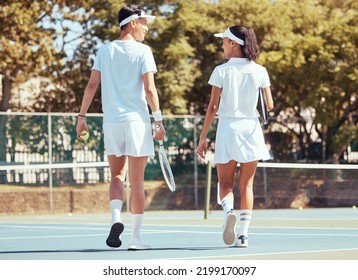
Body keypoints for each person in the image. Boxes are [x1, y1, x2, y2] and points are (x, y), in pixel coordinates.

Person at [76, 4, 165, 251]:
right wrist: (158, 120)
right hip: (136, 123)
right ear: (132, 22)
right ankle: (136, 239)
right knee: (137, 182)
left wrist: (81, 116)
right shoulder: (144, 51)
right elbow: (149, 89)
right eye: (144, 23)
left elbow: (92, 85)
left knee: (116, 176)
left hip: (112, 123)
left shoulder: (104, 50)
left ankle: (116, 218)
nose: (146, 28)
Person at [197, 26, 273, 248]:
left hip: (228, 130)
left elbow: (212, 107)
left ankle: (229, 211)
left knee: (225, 185)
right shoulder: (261, 71)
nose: (222, 45)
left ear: (233, 43)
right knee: (246, 186)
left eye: (224, 41)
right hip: (251, 129)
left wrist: (203, 138)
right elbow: (269, 105)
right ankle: (243, 235)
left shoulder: (220, 71)